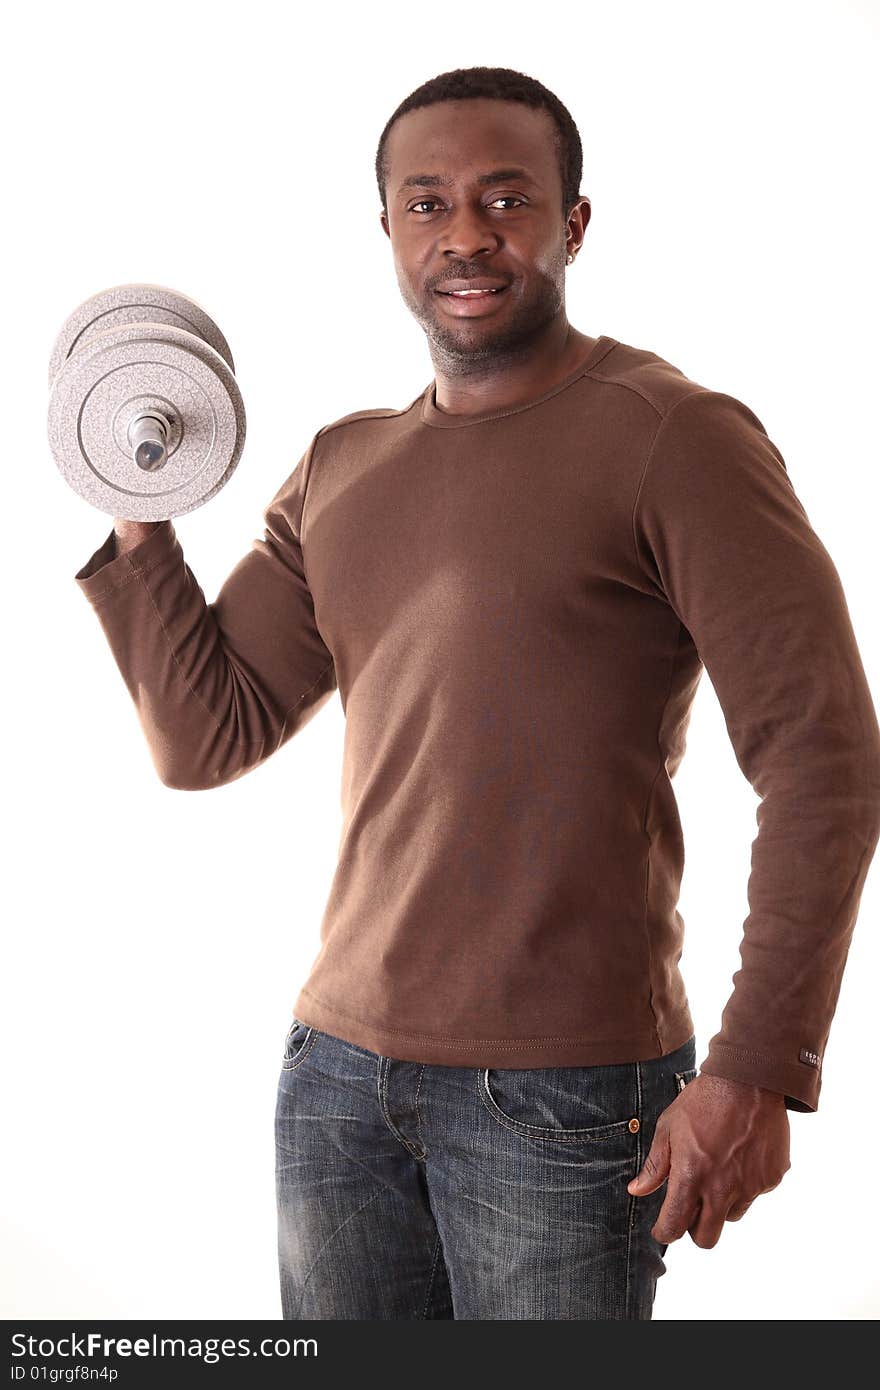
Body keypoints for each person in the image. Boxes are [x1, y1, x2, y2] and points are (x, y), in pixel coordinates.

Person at [73, 66, 880, 1320]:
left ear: (573, 221)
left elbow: (823, 758)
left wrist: (761, 1067)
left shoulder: (677, 435)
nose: (465, 234)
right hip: (336, 1079)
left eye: (506, 199)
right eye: (427, 202)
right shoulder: (345, 463)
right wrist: (136, 507)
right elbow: (204, 732)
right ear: (386, 226)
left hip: (565, 1092)